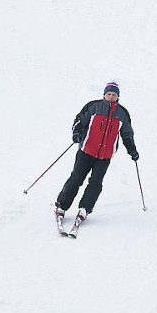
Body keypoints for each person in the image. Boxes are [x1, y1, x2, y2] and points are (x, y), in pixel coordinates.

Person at [55, 82, 139, 222]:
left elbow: (127, 134)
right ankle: (61, 206)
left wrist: (132, 150)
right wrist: (77, 133)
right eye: (108, 94)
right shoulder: (93, 106)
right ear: (104, 94)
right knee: (76, 179)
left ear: (118, 96)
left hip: (104, 157)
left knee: (96, 183)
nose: (111, 97)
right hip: (86, 151)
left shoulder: (122, 113)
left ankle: (85, 209)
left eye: (114, 95)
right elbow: (79, 121)